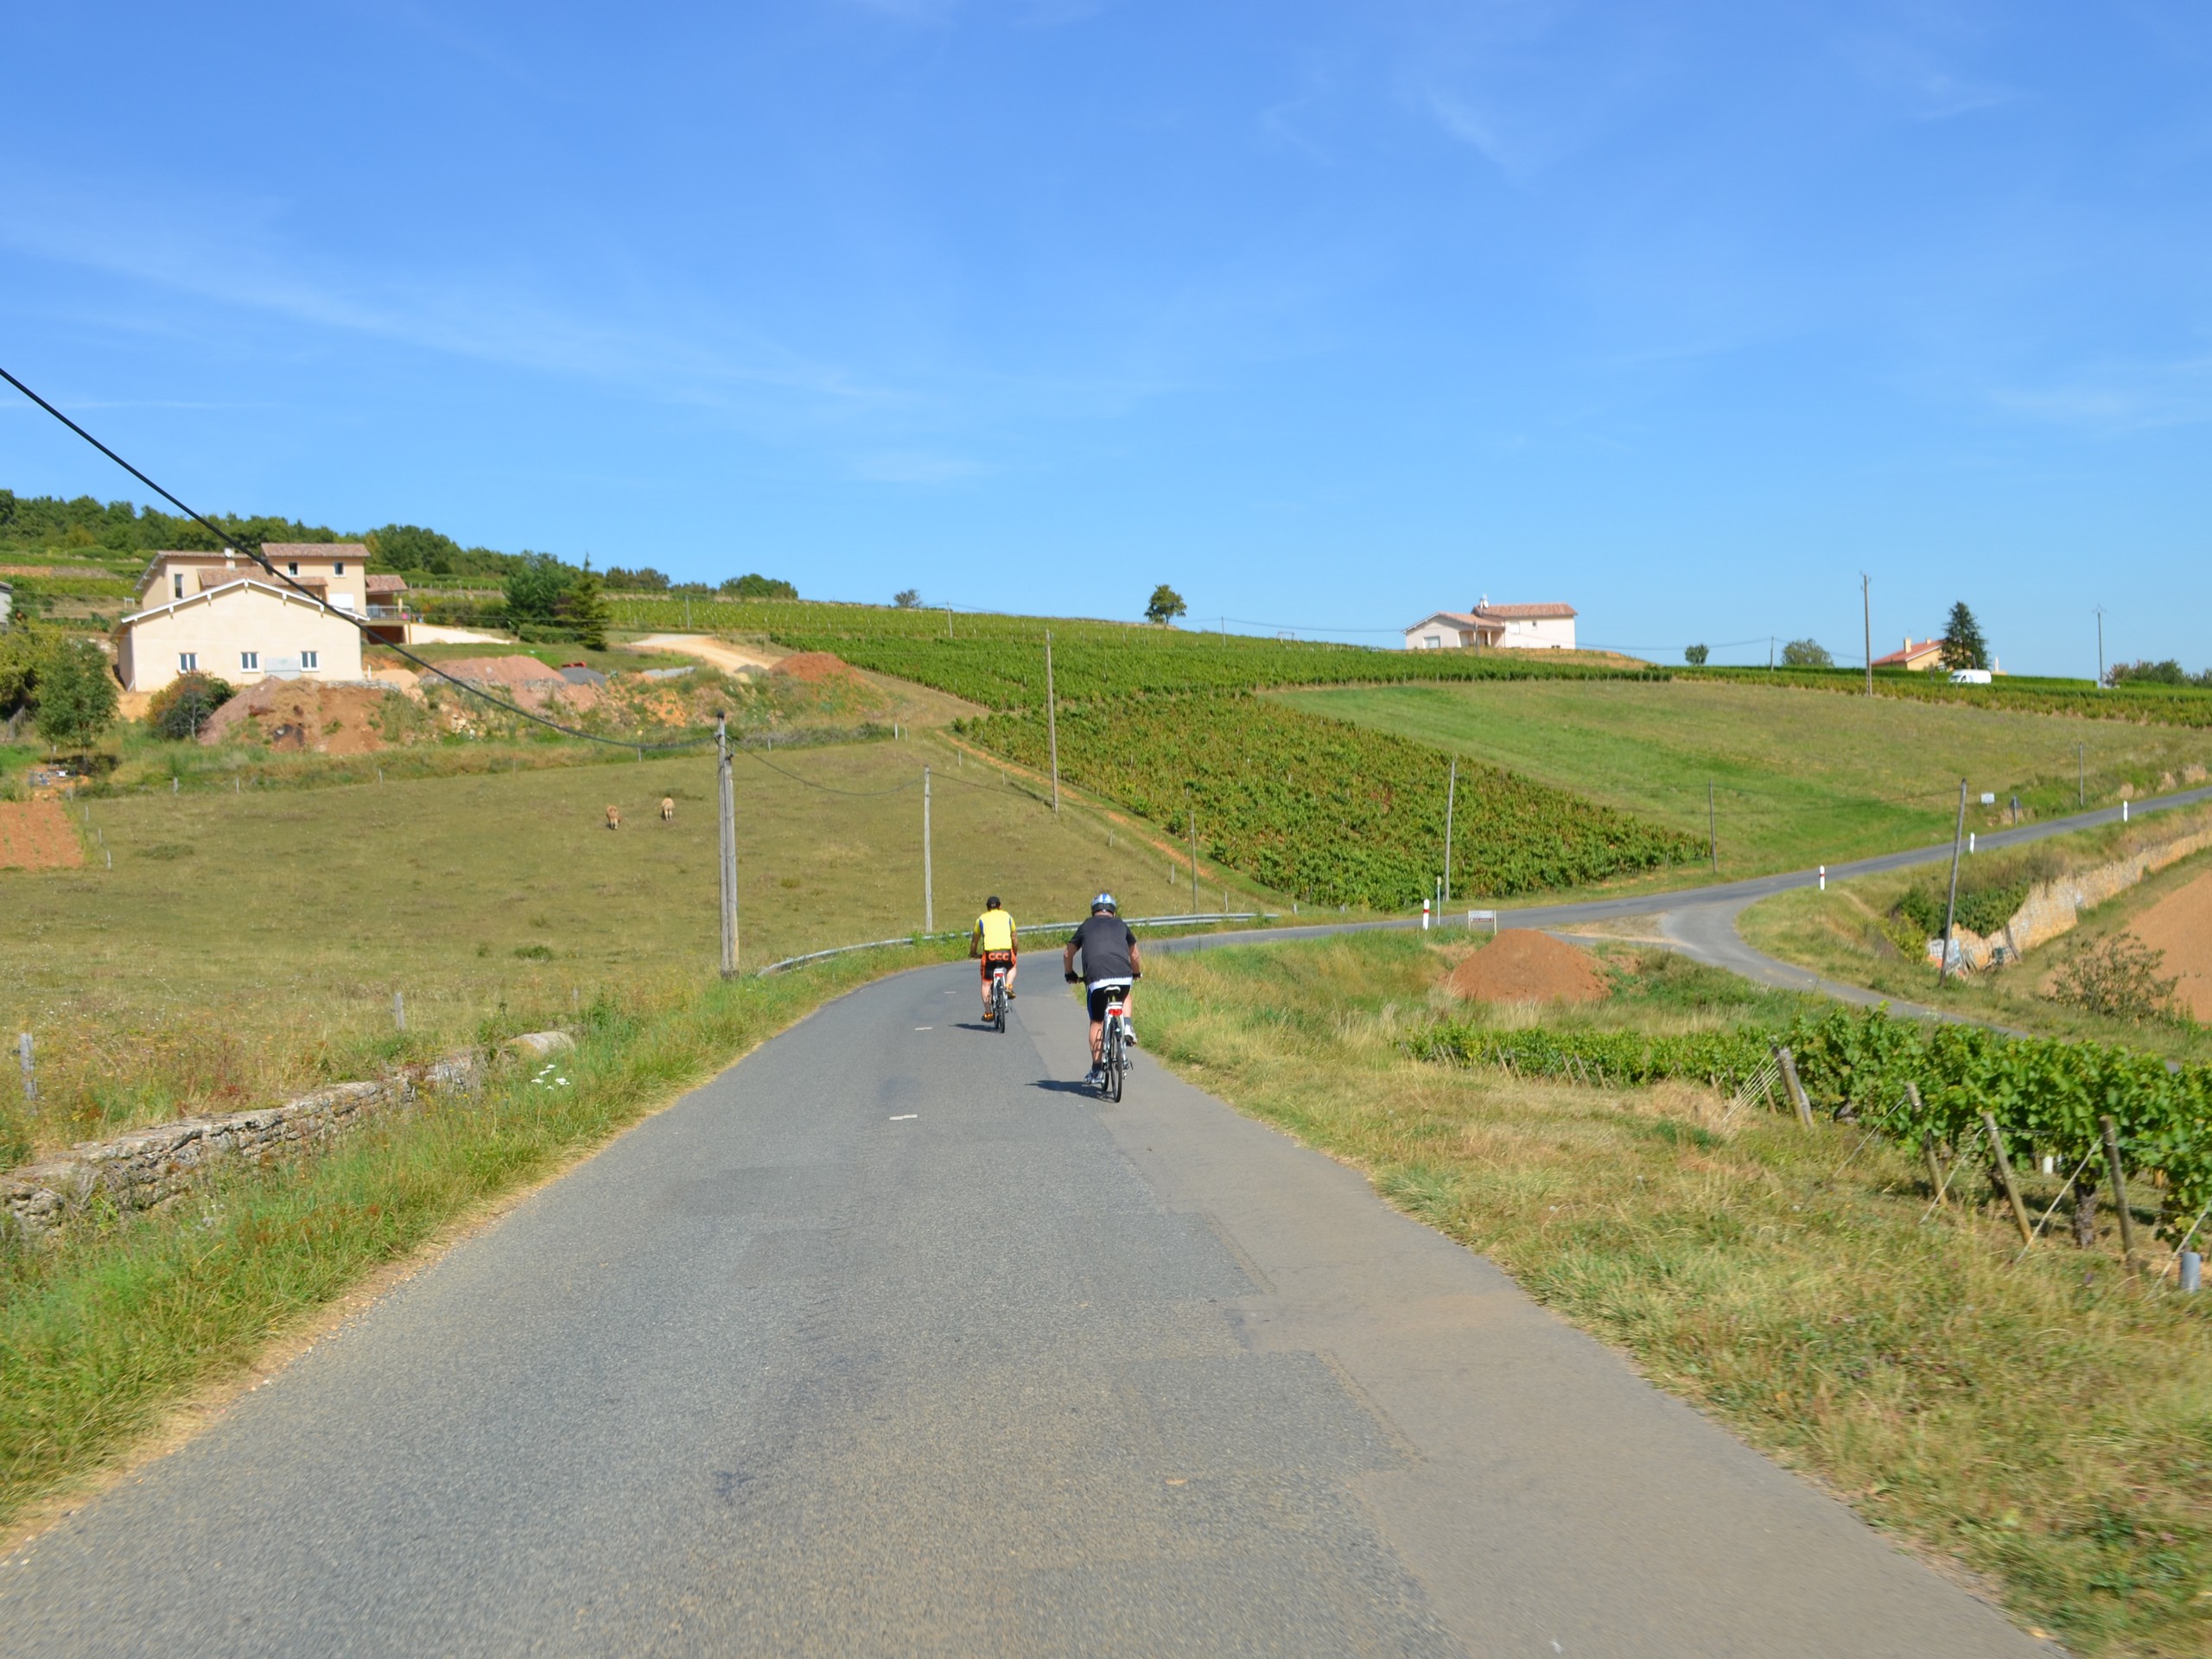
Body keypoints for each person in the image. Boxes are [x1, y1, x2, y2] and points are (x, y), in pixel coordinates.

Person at [1063, 893, 1141, 1087]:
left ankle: (1097, 1070)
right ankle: (1128, 1026)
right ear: (1113, 911)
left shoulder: (1086, 926)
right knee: (1125, 996)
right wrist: (1136, 973)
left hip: (1096, 980)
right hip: (1122, 976)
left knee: (1097, 1022)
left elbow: (1068, 953)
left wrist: (1070, 974)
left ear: (1093, 910)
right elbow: (1135, 954)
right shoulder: (1121, 925)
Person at [970, 895, 1018, 1019]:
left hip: (989, 954)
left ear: (987, 908)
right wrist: (1015, 951)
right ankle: (1008, 986)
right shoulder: (1008, 917)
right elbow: (1014, 937)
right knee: (1012, 967)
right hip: (1006, 953)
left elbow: (975, 940)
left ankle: (988, 1013)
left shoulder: (981, 919)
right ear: (1000, 906)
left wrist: (973, 953)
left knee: (986, 984)